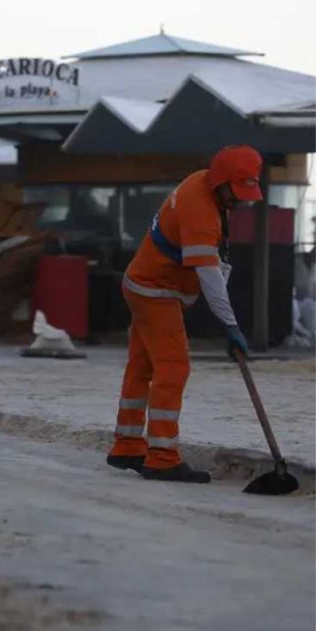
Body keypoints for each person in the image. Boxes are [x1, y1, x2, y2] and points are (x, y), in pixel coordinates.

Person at [107, 145, 261, 484]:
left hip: (143, 283)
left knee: (142, 366)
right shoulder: (200, 212)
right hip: (156, 291)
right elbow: (209, 276)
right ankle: (162, 457)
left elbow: (213, 265)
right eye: (235, 193)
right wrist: (230, 325)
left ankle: (127, 445)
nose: (239, 202)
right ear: (220, 183)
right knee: (173, 367)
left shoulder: (202, 183)